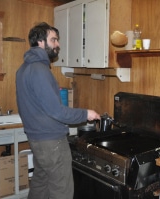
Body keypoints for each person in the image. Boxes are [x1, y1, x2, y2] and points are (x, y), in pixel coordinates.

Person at [16, 22, 100, 199]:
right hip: (51, 142)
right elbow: (57, 112)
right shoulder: (39, 70)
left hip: (37, 139)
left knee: (40, 182)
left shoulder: (23, 69)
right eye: (53, 40)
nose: (58, 45)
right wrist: (86, 114)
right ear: (40, 42)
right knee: (61, 190)